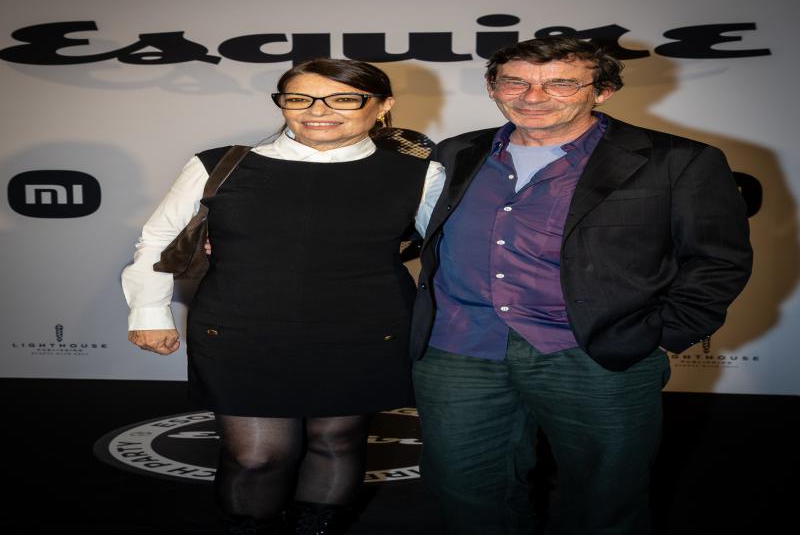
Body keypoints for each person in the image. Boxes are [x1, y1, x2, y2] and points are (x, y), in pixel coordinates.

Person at [409, 37, 752, 535]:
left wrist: (661, 333)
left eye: (561, 84)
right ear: (492, 87)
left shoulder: (677, 160)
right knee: (466, 489)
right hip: (459, 348)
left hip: (594, 354)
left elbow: (718, 259)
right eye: (515, 82)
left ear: (603, 91)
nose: (533, 96)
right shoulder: (457, 151)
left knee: (604, 500)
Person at [122, 58, 444, 535]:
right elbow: (157, 240)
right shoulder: (221, 164)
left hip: (365, 327)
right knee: (255, 456)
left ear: (382, 106)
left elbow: (445, 246)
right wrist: (149, 312)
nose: (318, 110)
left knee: (337, 441)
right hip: (241, 328)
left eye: (343, 99)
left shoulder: (419, 173)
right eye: (299, 98)